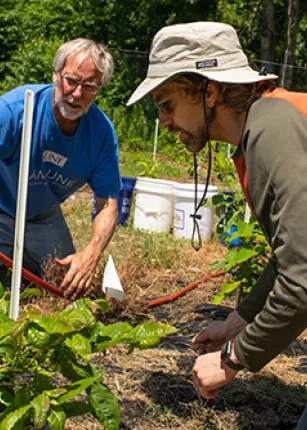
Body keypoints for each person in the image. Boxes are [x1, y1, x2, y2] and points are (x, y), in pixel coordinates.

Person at [127, 21, 307, 428]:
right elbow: (289, 255)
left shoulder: (273, 132)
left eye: (167, 103)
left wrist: (234, 358)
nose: (163, 120)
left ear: (209, 90)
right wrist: (237, 322)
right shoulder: (264, 126)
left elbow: (303, 277)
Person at [0, 38, 121, 301]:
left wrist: (91, 253)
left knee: (69, 289)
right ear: (56, 76)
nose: (77, 94)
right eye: (71, 81)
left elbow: (108, 203)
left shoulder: (100, 134)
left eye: (89, 86)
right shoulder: (13, 111)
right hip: (1, 208)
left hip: (43, 216)